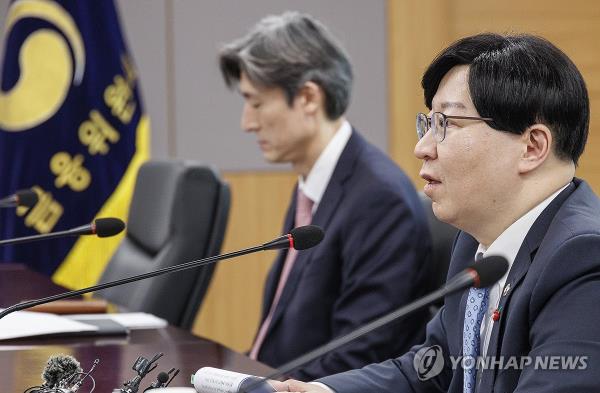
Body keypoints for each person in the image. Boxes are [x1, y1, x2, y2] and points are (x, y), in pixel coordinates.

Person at [269, 33, 600, 392]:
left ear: (532, 147)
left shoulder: (583, 260)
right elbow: (432, 369)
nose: (422, 147)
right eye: (427, 124)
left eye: (447, 124)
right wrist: (326, 391)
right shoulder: (476, 242)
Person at [218, 12, 432, 380]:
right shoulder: (315, 183)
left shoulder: (379, 200)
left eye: (255, 103)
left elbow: (355, 357)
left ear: (307, 97)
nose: (247, 123)